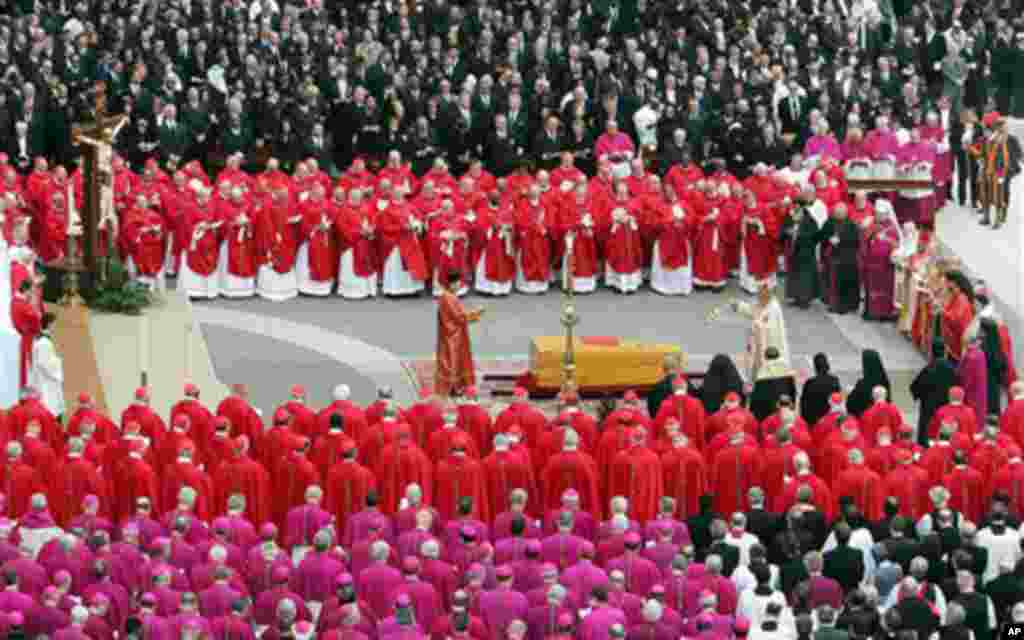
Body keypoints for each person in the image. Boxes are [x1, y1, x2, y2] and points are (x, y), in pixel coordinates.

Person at [435, 271, 484, 397]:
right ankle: (452, 387)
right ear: (451, 284)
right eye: (457, 283)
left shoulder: (449, 296)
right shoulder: (448, 298)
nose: (459, 285)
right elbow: (458, 317)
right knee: (452, 362)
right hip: (452, 336)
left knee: (455, 361)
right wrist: (475, 314)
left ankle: (456, 386)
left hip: (454, 333)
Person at [731, 284, 791, 383]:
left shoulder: (773, 308)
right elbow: (753, 310)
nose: (758, 296)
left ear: (767, 293)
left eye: (760, 293)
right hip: (758, 345)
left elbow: (764, 324)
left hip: (769, 345)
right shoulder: (763, 303)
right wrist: (739, 306)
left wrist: (756, 326)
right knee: (756, 368)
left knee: (769, 371)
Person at [910, 341, 961, 446]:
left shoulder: (929, 369)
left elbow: (915, 387)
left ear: (932, 351)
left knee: (927, 432)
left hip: (929, 408)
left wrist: (920, 395)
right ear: (945, 351)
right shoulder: (952, 369)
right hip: (946, 407)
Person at [861, 200, 902, 322]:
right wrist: (869, 233)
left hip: (885, 267)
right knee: (871, 289)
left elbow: (896, 244)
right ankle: (871, 312)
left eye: (880, 214)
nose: (878, 216)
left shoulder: (892, 227)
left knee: (884, 291)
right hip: (871, 264)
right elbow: (865, 239)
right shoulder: (871, 223)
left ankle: (884, 313)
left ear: (886, 214)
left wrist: (886, 240)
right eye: (877, 213)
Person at [781, 193, 822, 308]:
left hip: (805, 253)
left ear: (803, 206)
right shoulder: (789, 217)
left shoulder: (809, 219)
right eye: (794, 205)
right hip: (793, 251)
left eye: (798, 205)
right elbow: (782, 231)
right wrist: (786, 232)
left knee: (805, 277)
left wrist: (799, 235)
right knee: (794, 275)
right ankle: (795, 297)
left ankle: (805, 300)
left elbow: (815, 236)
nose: (795, 207)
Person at [28, 312, 63, 420]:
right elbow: (44, 363)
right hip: (46, 381)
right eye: (55, 323)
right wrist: (58, 362)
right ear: (49, 324)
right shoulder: (44, 342)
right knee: (49, 406)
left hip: (45, 379)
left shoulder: (41, 340)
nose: (56, 326)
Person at [10, 279, 41, 387]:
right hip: (27, 336)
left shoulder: (16, 300)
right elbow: (35, 318)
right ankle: (27, 385)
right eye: (31, 291)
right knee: (28, 362)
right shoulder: (22, 305)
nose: (32, 294)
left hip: (25, 334)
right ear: (26, 291)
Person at [941, 270, 976, 363]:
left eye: (948, 283)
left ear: (955, 284)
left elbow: (956, 320)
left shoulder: (962, 299)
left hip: (958, 344)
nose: (946, 286)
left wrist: (943, 311)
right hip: (953, 344)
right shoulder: (956, 296)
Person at [846, 350, 893, 418]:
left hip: (866, 419)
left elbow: (851, 405)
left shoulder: (863, 384)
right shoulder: (885, 380)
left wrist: (851, 393)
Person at [800, 354, 841, 427]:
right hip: (831, 421)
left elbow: (804, 406)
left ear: (815, 367)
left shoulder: (809, 383)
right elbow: (838, 402)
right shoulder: (834, 380)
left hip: (815, 422)